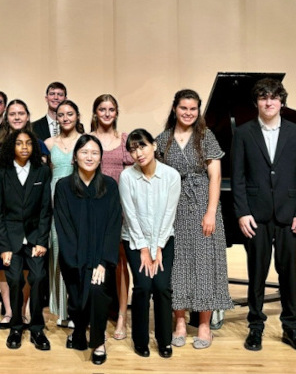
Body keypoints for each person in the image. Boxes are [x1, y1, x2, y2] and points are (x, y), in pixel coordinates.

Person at [232, 78, 296, 354]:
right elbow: (239, 178)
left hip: (290, 215)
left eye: (274, 97)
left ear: (281, 102)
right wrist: (242, 213)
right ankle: (255, 327)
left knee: (288, 274)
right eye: (263, 97)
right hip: (256, 215)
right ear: (257, 102)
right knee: (256, 274)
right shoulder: (243, 133)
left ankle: (291, 327)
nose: (269, 102)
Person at [155, 89, 233, 349]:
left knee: (205, 263)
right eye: (183, 108)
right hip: (173, 207)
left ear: (198, 111)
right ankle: (179, 321)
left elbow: (216, 177)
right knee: (176, 264)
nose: (188, 113)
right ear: (175, 108)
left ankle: (203, 324)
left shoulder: (205, 137)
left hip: (202, 205)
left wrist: (210, 211)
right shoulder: (163, 140)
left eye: (193, 108)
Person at [54, 134, 122, 365]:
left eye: (94, 152)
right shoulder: (63, 186)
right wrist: (76, 261)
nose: (89, 157)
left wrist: (102, 262)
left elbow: (114, 225)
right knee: (75, 298)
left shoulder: (110, 186)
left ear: (101, 157)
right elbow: (63, 225)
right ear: (75, 157)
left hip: (101, 257)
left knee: (96, 293)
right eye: (84, 152)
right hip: (73, 256)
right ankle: (79, 331)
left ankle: (99, 341)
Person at [0, 99, 50, 328]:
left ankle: (24, 311)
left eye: (22, 113)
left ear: (28, 116)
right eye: (12, 113)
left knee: (31, 271)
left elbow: (39, 189)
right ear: (6, 116)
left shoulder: (38, 144)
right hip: (5, 217)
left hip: (31, 222)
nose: (17, 116)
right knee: (7, 266)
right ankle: (11, 312)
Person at [119, 129, 180, 359]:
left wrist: (157, 248)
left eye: (142, 146)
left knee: (162, 287)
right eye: (133, 149)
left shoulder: (171, 175)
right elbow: (130, 215)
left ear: (154, 145)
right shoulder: (127, 177)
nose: (138, 152)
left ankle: (164, 340)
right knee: (143, 286)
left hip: (164, 239)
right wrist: (144, 248)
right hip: (135, 240)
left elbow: (169, 214)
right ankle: (140, 340)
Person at [0, 128, 52, 351]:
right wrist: (4, 247)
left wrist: (42, 241)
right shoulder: (2, 172)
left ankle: (37, 327)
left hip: (36, 237)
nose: (24, 147)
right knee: (15, 280)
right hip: (11, 238)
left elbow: (46, 209)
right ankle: (16, 326)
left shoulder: (42, 171)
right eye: (19, 143)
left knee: (37, 278)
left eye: (28, 143)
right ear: (11, 147)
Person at [89, 94, 134, 341]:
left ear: (116, 113)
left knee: (119, 264)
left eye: (111, 109)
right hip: (94, 207)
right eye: (102, 109)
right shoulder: (87, 139)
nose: (107, 113)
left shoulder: (124, 139)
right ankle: (93, 315)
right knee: (93, 261)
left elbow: (131, 178)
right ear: (95, 112)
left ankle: (121, 317)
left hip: (119, 208)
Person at [44, 100, 84, 328]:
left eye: (70, 114)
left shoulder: (85, 141)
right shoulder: (49, 144)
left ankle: (77, 305)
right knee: (59, 254)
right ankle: (62, 310)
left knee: (78, 255)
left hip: (78, 201)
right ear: (56, 118)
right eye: (61, 115)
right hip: (55, 203)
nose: (66, 118)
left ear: (77, 116)